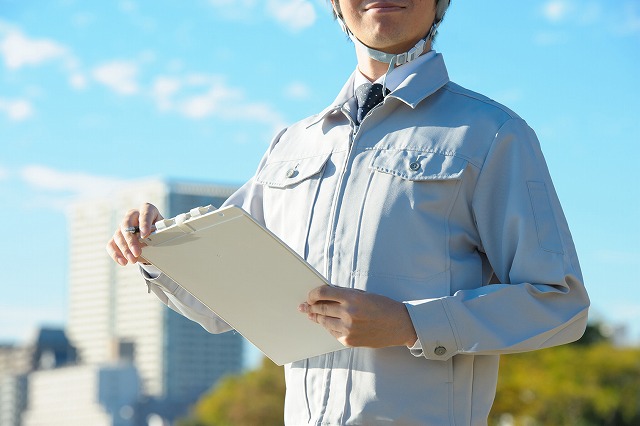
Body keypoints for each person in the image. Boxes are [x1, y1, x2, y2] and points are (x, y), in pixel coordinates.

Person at [106, 0, 590, 424]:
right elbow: (221, 308)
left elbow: (559, 304)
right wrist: (156, 249)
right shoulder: (290, 146)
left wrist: (409, 323)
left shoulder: (493, 133)